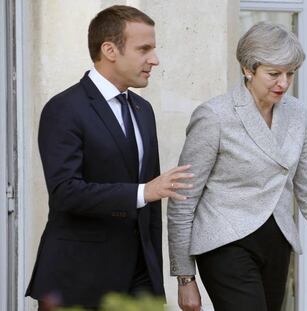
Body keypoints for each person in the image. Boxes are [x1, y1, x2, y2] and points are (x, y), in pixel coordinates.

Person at [168, 22, 307, 311]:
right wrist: (184, 277)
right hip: (225, 245)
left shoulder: (297, 114)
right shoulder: (214, 116)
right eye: (274, 74)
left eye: (290, 73)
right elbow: (183, 200)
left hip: (277, 245)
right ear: (247, 69)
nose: (283, 83)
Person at [25, 5, 193, 310]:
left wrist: (158, 284)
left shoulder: (144, 111)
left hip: (140, 283)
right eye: (144, 49)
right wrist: (144, 191)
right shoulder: (64, 108)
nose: (154, 60)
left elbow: (151, 213)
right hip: (79, 282)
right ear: (110, 50)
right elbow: (66, 192)